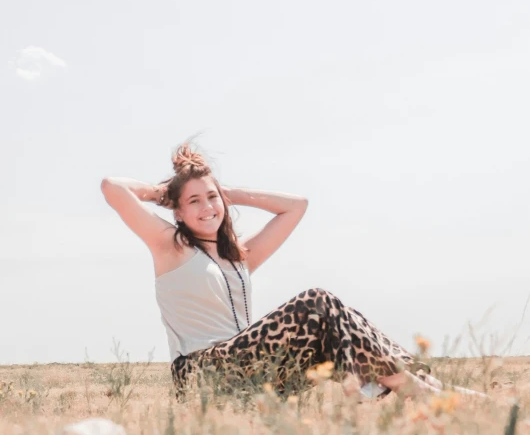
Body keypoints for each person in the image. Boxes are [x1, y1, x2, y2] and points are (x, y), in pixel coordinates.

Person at [101, 143, 485, 401]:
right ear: (179, 211)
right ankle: (410, 389)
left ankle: (426, 385)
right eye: (194, 201)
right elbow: (112, 188)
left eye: (212, 198)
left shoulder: (238, 258)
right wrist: (158, 192)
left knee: (339, 320)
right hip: (201, 374)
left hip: (247, 369)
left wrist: (230, 191)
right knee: (317, 301)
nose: (207, 208)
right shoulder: (171, 245)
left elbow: (296, 206)